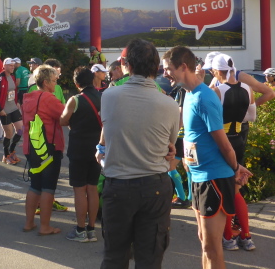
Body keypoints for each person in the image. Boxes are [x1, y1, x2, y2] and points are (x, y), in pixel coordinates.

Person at [162, 46, 252, 269]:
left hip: (213, 178)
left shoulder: (204, 97)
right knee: (204, 242)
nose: (165, 74)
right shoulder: (189, 94)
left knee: (212, 247)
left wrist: (235, 168)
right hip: (197, 176)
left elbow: (224, 143)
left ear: (183, 67)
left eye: (168, 69)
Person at [94, 40, 178, 267]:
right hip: (155, 185)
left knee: (114, 257)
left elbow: (109, 129)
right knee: (150, 258)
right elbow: (170, 146)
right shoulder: (170, 104)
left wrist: (101, 152)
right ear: (156, 68)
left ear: (127, 65)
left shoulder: (109, 96)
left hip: (118, 185)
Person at [210, 54, 256, 251]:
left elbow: (211, 120)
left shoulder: (216, 91)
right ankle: (246, 236)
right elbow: (251, 117)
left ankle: (228, 237)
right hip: (239, 139)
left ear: (216, 71)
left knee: (224, 190)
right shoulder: (248, 88)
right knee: (236, 189)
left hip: (222, 141)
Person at [22, 65, 66, 236]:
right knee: (48, 188)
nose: (56, 84)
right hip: (49, 147)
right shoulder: (49, 98)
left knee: (35, 186)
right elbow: (65, 115)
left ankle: (29, 223)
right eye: (54, 81)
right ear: (46, 82)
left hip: (31, 147)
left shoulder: (28, 97)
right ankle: (45, 226)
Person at [60, 66, 102, 242]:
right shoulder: (102, 97)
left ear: (76, 83)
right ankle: (91, 229)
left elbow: (63, 120)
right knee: (92, 188)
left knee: (79, 189)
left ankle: (80, 230)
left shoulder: (75, 100)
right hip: (98, 148)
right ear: (93, 80)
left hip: (79, 148)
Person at [0, 57, 22, 165]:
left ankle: (11, 150)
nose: (12, 67)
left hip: (13, 107)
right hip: (4, 109)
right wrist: (0, 109)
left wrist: (17, 102)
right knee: (8, 133)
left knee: (20, 129)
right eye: (10, 65)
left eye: (13, 65)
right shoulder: (0, 78)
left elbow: (14, 91)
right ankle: (6, 155)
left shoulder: (13, 76)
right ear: (4, 66)